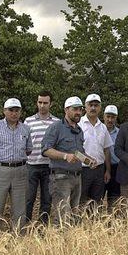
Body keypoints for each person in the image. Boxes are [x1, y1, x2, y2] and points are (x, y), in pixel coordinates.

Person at [0, 98, 32, 235]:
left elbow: (28, 150)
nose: (14, 113)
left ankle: (19, 240)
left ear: (20, 112)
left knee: (20, 209)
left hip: (20, 171)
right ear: (4, 111)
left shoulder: (26, 129)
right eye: (11, 110)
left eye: (17, 110)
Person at [42, 96, 87, 226]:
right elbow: (45, 150)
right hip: (61, 178)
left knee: (74, 216)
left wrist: (88, 159)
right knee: (62, 217)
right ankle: (59, 244)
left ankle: (71, 245)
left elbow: (78, 153)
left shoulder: (79, 130)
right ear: (66, 110)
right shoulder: (56, 127)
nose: (78, 112)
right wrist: (64, 156)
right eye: (75, 109)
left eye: (80, 109)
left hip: (77, 178)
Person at [24, 91, 59, 224]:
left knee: (47, 199)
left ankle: (42, 228)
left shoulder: (57, 122)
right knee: (29, 198)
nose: (42, 105)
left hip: (49, 166)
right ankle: (25, 227)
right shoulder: (28, 121)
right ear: (36, 103)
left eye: (45, 103)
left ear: (51, 104)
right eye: (40, 102)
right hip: (31, 165)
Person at [79, 94, 113, 209]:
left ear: (100, 108)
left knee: (96, 202)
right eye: (90, 105)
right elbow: (74, 150)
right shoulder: (78, 125)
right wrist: (87, 161)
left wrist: (107, 170)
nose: (93, 108)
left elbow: (106, 150)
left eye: (96, 105)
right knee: (81, 201)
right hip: (82, 170)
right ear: (85, 106)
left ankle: (93, 226)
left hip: (99, 170)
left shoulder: (103, 127)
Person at [103, 105, 121, 208]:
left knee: (114, 197)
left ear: (116, 118)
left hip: (116, 167)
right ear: (104, 116)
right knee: (98, 195)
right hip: (100, 167)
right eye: (108, 116)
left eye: (113, 117)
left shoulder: (120, 133)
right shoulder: (98, 130)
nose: (110, 120)